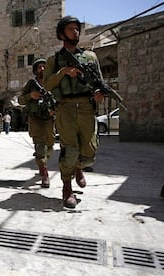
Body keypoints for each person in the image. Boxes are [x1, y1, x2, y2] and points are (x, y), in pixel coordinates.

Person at [43, 16, 104, 208]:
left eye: (77, 29)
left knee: (89, 153)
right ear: (61, 34)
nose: (75, 32)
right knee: (70, 150)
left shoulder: (90, 57)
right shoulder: (54, 60)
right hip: (65, 108)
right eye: (70, 29)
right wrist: (63, 72)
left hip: (86, 108)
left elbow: (99, 83)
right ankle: (67, 189)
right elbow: (47, 85)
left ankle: (79, 168)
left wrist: (98, 93)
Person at [19, 58, 56, 188]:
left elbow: (60, 99)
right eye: (39, 67)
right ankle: (44, 173)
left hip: (49, 119)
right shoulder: (31, 84)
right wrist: (31, 96)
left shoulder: (53, 83)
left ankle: (43, 163)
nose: (42, 69)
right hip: (35, 119)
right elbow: (20, 100)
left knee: (50, 145)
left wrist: (54, 110)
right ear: (35, 70)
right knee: (40, 146)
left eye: (44, 67)